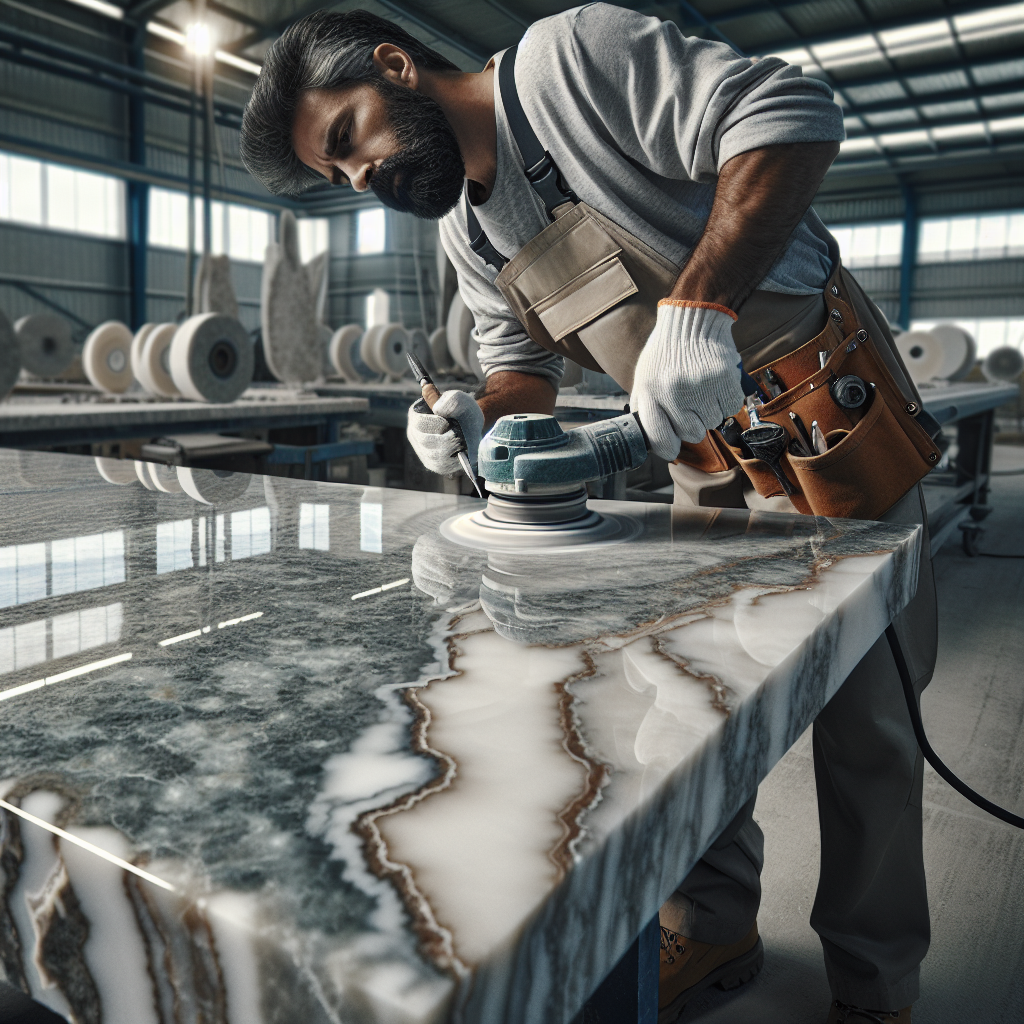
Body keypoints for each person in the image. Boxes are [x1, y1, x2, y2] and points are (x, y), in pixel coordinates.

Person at [240, 7, 937, 1022]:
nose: (364, 179)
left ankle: (875, 989)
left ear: (394, 66)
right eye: (339, 177)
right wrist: (472, 415)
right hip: (706, 467)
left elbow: (786, 114)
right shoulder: (467, 228)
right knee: (691, 708)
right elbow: (516, 367)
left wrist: (698, 309)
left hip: (826, 419)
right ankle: (714, 925)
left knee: (868, 725)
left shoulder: (570, 61)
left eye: (349, 140)